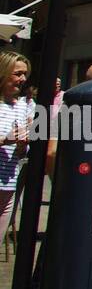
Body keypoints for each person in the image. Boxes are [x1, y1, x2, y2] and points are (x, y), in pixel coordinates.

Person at [0, 52, 33, 239]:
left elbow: (21, 153)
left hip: (8, 185)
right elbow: (6, 140)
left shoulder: (22, 106)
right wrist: (6, 140)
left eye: (25, 74)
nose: (23, 79)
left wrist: (23, 145)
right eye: (18, 73)